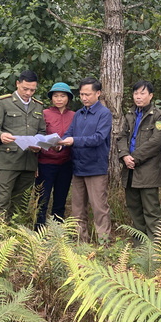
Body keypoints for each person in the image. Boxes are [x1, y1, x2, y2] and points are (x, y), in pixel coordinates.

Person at [59, 77, 113, 244]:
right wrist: (60, 143)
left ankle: (104, 244)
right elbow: (70, 133)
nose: (84, 97)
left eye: (88, 94)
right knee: (77, 209)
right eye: (81, 94)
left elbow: (97, 138)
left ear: (98, 93)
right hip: (78, 167)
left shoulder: (104, 114)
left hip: (96, 168)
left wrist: (74, 141)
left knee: (99, 209)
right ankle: (80, 242)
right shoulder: (78, 114)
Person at [0, 70, 46, 219]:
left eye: (32, 90)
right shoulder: (3, 102)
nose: (28, 92)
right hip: (9, 160)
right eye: (25, 88)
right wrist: (0, 136)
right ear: (17, 84)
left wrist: (39, 144)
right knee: (2, 200)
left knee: (21, 203)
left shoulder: (38, 106)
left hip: (29, 162)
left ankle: (14, 235)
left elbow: (42, 132)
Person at [117, 80, 161, 241]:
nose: (138, 97)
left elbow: (156, 142)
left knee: (151, 210)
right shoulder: (130, 114)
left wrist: (135, 157)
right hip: (129, 169)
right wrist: (125, 156)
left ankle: (155, 246)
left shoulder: (158, 115)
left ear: (151, 96)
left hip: (148, 171)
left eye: (142, 93)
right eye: (135, 93)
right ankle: (140, 245)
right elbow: (122, 137)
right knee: (134, 208)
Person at [35, 82, 75, 229]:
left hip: (66, 163)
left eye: (62, 96)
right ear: (51, 98)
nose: (59, 99)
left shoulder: (74, 116)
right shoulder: (44, 114)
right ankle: (38, 231)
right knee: (42, 199)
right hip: (46, 163)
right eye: (55, 96)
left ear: (68, 98)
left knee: (60, 199)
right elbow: (38, 136)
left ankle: (57, 232)